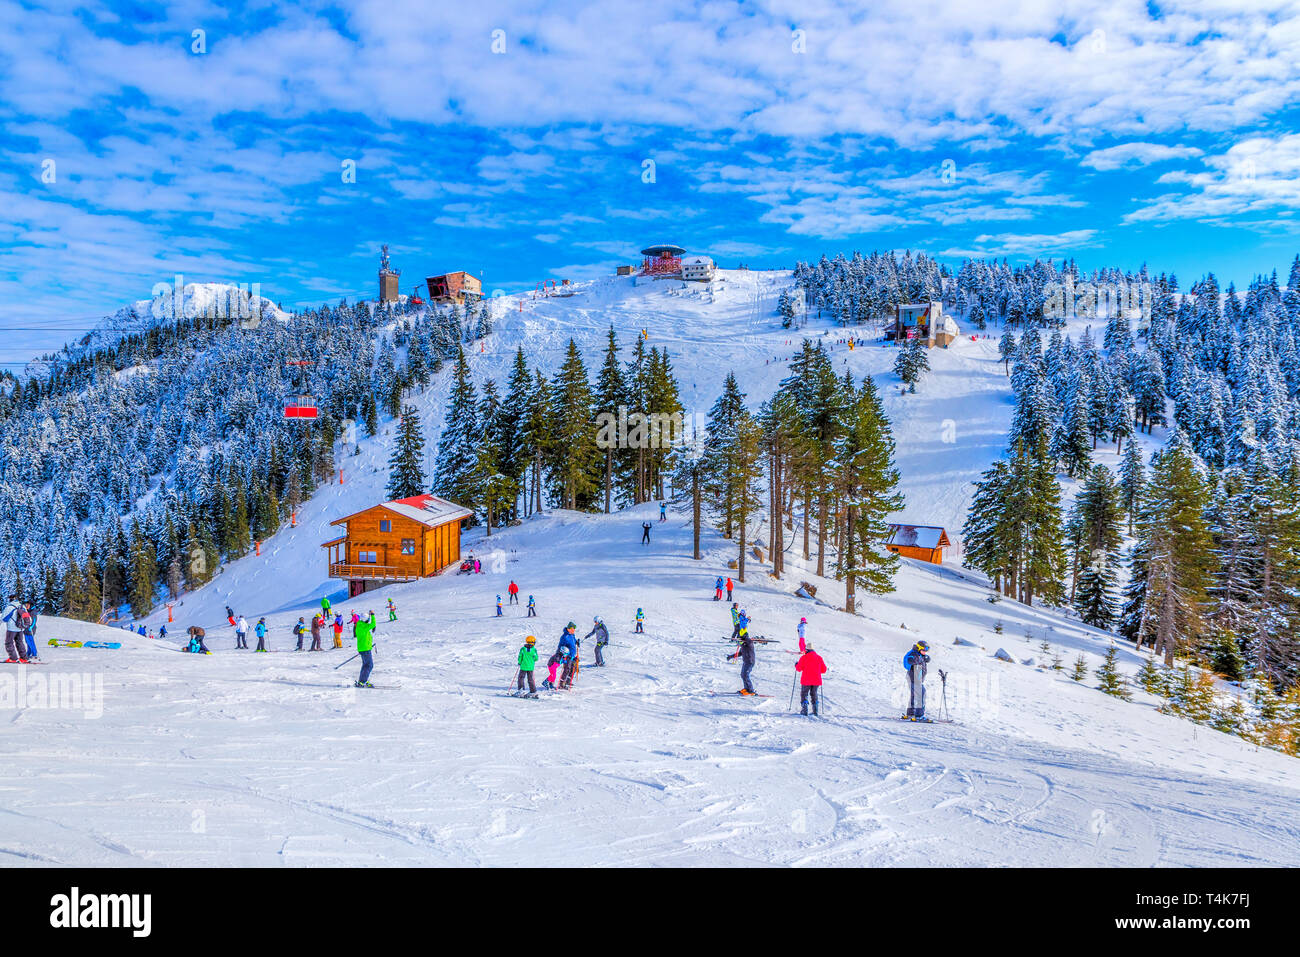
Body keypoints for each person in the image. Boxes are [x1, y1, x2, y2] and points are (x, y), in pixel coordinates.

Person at [795, 644, 827, 716]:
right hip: (816, 680)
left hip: (806, 679)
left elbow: (799, 669)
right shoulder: (819, 658)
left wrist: (796, 665)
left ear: (807, 650)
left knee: (804, 693)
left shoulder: (804, 658)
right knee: (814, 693)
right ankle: (815, 711)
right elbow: (824, 670)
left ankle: (804, 710)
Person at [903, 640, 931, 720]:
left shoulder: (919, 654)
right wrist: (920, 659)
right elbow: (910, 659)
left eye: (926, 651)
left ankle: (910, 714)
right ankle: (919, 715)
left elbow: (922, 659)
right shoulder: (914, 654)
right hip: (914, 678)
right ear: (919, 648)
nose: (925, 652)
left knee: (915, 695)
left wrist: (925, 658)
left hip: (916, 678)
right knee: (921, 694)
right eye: (924, 650)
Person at [728, 630, 757, 695]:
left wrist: (745, 637)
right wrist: (731, 656)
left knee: (746, 675)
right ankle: (746, 689)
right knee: (743, 675)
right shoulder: (743, 645)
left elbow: (749, 641)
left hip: (750, 661)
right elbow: (740, 653)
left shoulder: (749, 643)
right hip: (746, 662)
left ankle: (751, 690)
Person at [355, 610, 377, 688]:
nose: (368, 621)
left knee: (365, 665)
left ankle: (362, 680)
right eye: (368, 619)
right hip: (365, 649)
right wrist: (373, 615)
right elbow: (373, 624)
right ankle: (362, 681)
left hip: (364, 648)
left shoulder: (360, 625)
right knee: (369, 665)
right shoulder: (363, 627)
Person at [3, 597, 29, 662]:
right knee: (20, 642)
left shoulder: (9, 607)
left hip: (11, 628)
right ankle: (24, 658)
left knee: (9, 643)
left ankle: (13, 658)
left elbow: (4, 618)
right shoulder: (22, 606)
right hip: (20, 628)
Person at [557, 622, 579, 689]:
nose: (574, 630)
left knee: (574, 669)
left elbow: (573, 641)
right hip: (567, 656)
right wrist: (561, 655)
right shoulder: (565, 637)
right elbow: (560, 647)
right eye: (573, 629)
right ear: (569, 629)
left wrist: (576, 642)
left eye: (574, 629)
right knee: (567, 669)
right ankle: (561, 683)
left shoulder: (572, 635)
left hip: (572, 655)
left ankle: (568, 682)